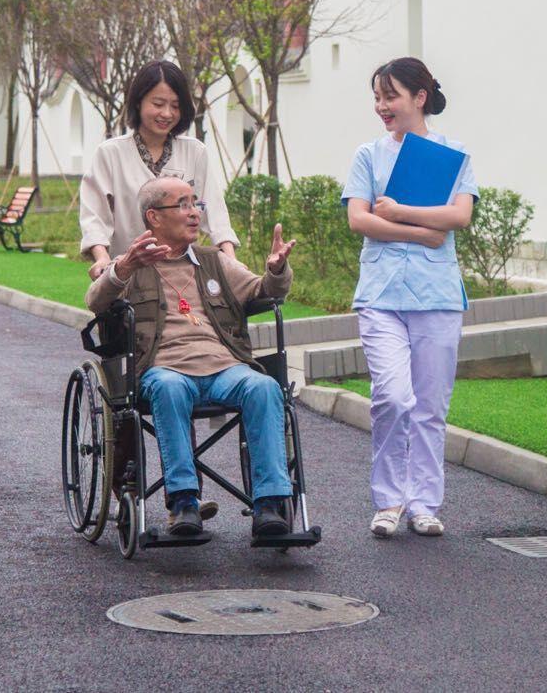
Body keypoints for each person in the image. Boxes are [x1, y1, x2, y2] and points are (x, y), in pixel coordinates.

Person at [86, 175, 298, 538]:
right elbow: (96, 301)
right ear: (154, 217)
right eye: (183, 204)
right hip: (163, 371)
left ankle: (270, 505)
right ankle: (184, 502)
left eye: (196, 203)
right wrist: (122, 269)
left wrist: (277, 269)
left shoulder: (214, 262)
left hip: (224, 368)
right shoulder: (132, 264)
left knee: (263, 387)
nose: (195, 213)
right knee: (170, 388)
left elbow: (263, 291)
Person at [341, 57, 477, 539]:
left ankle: (423, 504)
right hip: (380, 294)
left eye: (390, 96)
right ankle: (388, 500)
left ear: (420, 97)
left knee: (430, 408)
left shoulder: (451, 154)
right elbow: (359, 220)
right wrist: (422, 231)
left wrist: (397, 211)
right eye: (377, 98)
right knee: (392, 397)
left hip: (437, 296)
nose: (381, 106)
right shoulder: (368, 155)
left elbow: (458, 217)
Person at [80, 60, 238, 280]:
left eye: (175, 106)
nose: (166, 113)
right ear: (138, 102)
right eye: (158, 103)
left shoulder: (195, 152)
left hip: (183, 276)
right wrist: (101, 257)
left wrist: (230, 258)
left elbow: (213, 210)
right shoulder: (110, 154)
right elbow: (94, 215)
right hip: (128, 276)